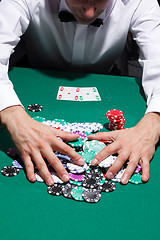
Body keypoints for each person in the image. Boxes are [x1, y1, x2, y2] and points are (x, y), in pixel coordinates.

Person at [0, 0, 160, 186]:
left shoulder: (140, 2)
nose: (90, 13)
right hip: (35, 75)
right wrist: (11, 113)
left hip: (109, 77)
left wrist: (155, 120)